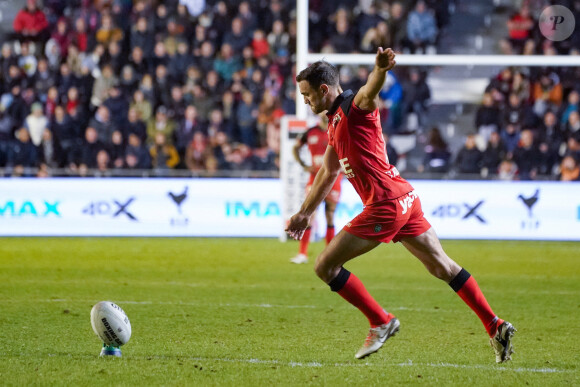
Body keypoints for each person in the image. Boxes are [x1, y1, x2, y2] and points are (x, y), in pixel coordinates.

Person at [286, 48, 515, 362]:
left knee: (325, 266)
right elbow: (328, 171)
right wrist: (304, 213)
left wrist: (380, 70)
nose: (306, 101)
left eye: (307, 95)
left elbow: (370, 91)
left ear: (324, 89)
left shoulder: (356, 107)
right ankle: (495, 324)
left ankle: (380, 321)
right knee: (442, 267)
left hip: (384, 205)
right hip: (405, 198)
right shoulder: (335, 122)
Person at [290, 114, 341, 265]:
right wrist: (304, 165)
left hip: (334, 178)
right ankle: (302, 254)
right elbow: (296, 147)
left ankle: (329, 255)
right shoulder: (310, 132)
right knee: (310, 214)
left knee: (330, 215)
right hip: (315, 178)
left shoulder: (338, 129)